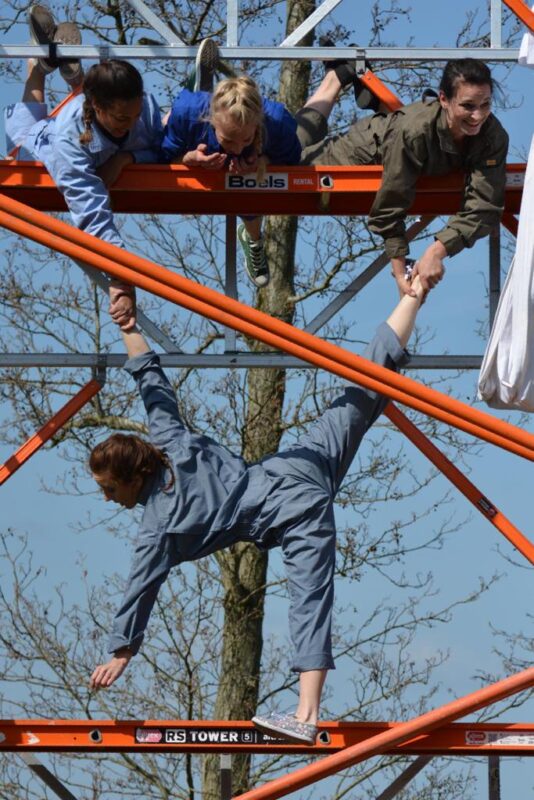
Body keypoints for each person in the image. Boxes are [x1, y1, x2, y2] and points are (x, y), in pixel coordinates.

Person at [88, 274, 426, 744]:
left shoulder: (159, 528)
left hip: (293, 513)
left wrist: (121, 652)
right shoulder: (169, 441)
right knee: (360, 390)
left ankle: (306, 714)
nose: (108, 498)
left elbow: (138, 589)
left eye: (109, 489)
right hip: (296, 464)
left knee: (309, 599)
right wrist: (127, 325)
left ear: (133, 477)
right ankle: (412, 298)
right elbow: (152, 381)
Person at [5, 5, 164, 329]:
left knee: (130, 127)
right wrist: (121, 279)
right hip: (42, 145)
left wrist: (126, 159)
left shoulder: (142, 108)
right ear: (98, 107)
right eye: (122, 119)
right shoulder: (67, 143)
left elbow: (159, 147)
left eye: (134, 116)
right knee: (19, 133)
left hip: (91, 127)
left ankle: (68, 71)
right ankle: (42, 65)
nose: (131, 124)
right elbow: (93, 213)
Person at [300, 58, 509, 298]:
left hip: (409, 147)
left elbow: (484, 206)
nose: (478, 116)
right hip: (367, 151)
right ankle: (335, 77)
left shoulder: (493, 136)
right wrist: (400, 270)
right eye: (468, 106)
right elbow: (392, 200)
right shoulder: (414, 130)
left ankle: (377, 104)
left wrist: (437, 251)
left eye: (485, 104)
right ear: (443, 99)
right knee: (291, 158)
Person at [160, 45, 364, 289]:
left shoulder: (275, 120)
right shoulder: (187, 114)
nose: (235, 148)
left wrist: (264, 162)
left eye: (244, 139)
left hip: (265, 148)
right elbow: (161, 155)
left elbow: (292, 156)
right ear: (214, 121)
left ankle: (338, 75)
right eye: (228, 140)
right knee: (173, 119)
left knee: (298, 143)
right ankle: (197, 87)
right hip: (194, 132)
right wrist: (189, 159)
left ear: (257, 123)